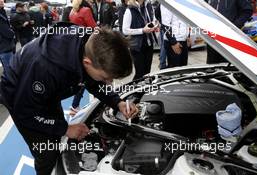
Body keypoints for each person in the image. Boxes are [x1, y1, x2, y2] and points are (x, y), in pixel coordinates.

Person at [0, 23, 138, 175]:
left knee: (56, 129)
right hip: (20, 96)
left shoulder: (92, 44)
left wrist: (117, 102)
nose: (109, 83)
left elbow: (92, 80)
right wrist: (65, 129)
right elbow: (26, 113)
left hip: (46, 92)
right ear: (87, 63)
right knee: (47, 151)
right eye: (106, 78)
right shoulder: (45, 69)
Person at [122, 0, 158, 80]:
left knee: (147, 72)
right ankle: (136, 90)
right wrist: (142, 30)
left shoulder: (148, 6)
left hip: (149, 43)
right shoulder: (130, 10)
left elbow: (153, 20)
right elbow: (125, 30)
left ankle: (145, 90)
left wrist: (154, 25)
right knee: (140, 73)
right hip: (137, 46)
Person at [0, 0, 15, 69]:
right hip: (4, 46)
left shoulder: (2, 11)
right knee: (10, 69)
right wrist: (12, 33)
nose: (2, 1)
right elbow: (6, 32)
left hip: (5, 45)